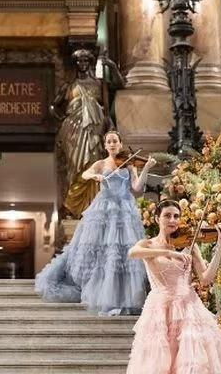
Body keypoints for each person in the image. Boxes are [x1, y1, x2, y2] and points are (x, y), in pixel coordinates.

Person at [35, 130, 155, 316]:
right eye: (109, 141)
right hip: (104, 208)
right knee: (102, 250)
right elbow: (84, 174)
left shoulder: (129, 165)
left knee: (121, 253)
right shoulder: (101, 163)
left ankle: (122, 296)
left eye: (115, 141)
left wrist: (146, 167)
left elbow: (137, 187)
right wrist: (95, 176)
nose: (113, 144)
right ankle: (101, 294)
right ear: (105, 145)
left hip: (124, 208)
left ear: (120, 144)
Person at [126, 200, 221, 374]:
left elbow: (206, 278)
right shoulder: (148, 245)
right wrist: (167, 252)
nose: (172, 220)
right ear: (157, 218)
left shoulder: (190, 245)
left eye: (176, 216)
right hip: (160, 308)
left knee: (191, 361)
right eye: (167, 215)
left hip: (189, 307)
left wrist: (220, 246)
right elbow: (132, 253)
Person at [52, 49, 121, 217]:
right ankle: (73, 206)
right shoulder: (69, 86)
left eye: (85, 61)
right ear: (75, 64)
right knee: (75, 167)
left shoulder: (99, 83)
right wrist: (63, 121)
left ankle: (92, 205)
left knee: (93, 163)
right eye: (79, 61)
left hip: (94, 130)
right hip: (74, 131)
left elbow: (120, 85)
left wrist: (112, 66)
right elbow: (54, 106)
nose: (82, 64)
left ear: (89, 63)